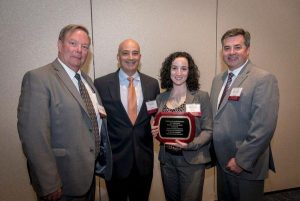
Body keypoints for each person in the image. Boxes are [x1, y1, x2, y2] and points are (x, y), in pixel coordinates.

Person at [17, 24, 112, 201]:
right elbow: (34, 136)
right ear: (60, 45)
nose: (79, 50)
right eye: (73, 43)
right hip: (61, 183)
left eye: (84, 46)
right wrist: (49, 183)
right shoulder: (39, 78)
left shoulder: (86, 80)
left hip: (88, 177)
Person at [210, 28, 279, 201]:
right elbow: (216, 118)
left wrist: (241, 161)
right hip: (222, 162)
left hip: (247, 164)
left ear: (247, 49)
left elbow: (263, 127)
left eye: (237, 47)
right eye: (227, 48)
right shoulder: (218, 80)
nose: (231, 52)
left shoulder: (263, 78)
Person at [94, 39, 160, 201]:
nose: (131, 57)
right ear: (118, 57)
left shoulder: (152, 84)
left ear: (140, 56)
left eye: (135, 53)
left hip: (143, 162)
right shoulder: (101, 84)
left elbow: (155, 116)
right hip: (115, 162)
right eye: (125, 53)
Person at [151, 52, 213, 201]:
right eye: (174, 68)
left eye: (184, 68)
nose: (178, 73)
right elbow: (157, 124)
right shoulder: (161, 98)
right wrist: (154, 130)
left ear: (189, 71)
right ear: (168, 71)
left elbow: (208, 130)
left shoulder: (201, 96)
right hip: (167, 161)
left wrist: (190, 144)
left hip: (192, 161)